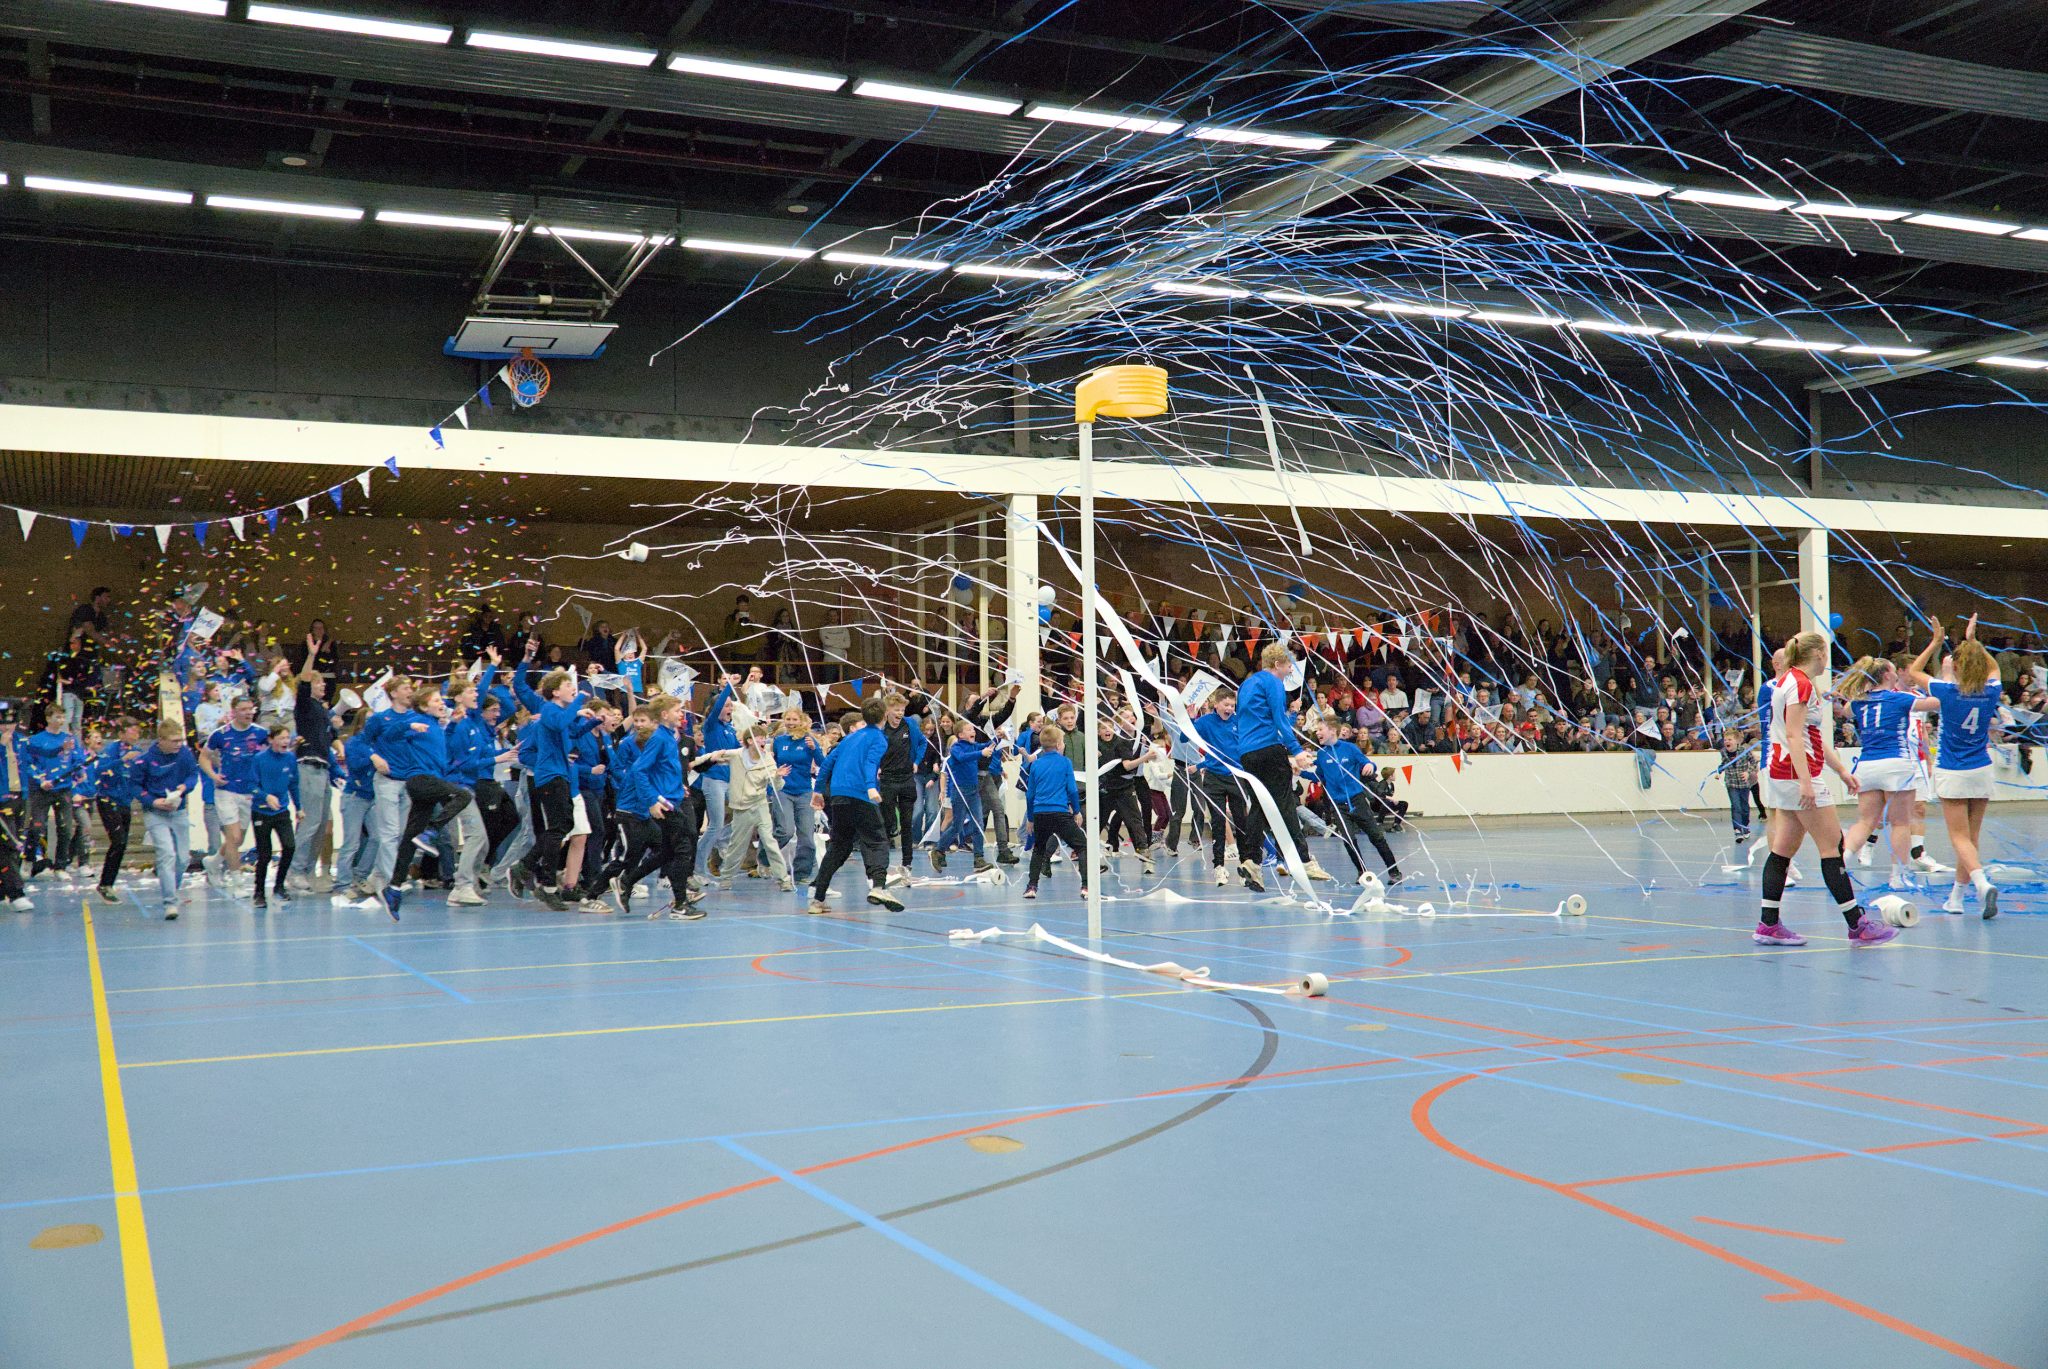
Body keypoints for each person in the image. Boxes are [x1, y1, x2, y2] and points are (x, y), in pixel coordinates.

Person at [1754, 630, 1894, 947]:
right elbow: (1793, 736)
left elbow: (1810, 736)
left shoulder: (1793, 681)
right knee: (1832, 845)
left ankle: (1768, 924)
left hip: (1785, 772)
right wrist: (1806, 781)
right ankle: (1857, 924)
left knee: (1783, 848)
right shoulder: (1800, 685)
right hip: (1795, 773)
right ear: (1818, 654)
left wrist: (1842, 770)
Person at [1905, 616, 2003, 918]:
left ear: (1957, 667)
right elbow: (1995, 668)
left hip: (1953, 769)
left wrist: (1935, 642)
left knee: (1959, 838)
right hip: (1982, 769)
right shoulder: (1992, 690)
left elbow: (1913, 671)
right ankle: (1956, 899)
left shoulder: (1947, 691)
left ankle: (1981, 882)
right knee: (1971, 839)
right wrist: (1974, 642)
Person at [510, 650, 602, 911]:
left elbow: (569, 730)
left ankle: (528, 868)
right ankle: (539, 878)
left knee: (564, 826)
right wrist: (580, 700)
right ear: (554, 692)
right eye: (568, 686)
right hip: (549, 777)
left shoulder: (558, 714)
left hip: (559, 775)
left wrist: (592, 720)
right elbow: (561, 721)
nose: (573, 689)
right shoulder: (550, 709)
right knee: (556, 830)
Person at [1235, 643, 1334, 887]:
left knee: (1259, 806)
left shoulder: (1246, 684)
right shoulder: (1274, 683)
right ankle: (1304, 861)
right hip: (1269, 749)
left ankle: (1251, 861)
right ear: (1277, 664)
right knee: (1286, 803)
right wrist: (1297, 751)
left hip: (1247, 753)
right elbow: (1279, 720)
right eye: (1289, 663)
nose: (1291, 669)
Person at [1838, 656, 1934, 891]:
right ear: (1888, 675)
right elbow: (1936, 703)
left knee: (1865, 821)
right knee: (1900, 823)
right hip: (1896, 763)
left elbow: (1845, 710)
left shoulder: (1859, 702)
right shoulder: (1900, 698)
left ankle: (1838, 863)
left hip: (1868, 765)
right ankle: (1898, 876)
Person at [382, 685, 473, 919]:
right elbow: (389, 734)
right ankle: (430, 832)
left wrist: (452, 725)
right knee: (463, 795)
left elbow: (442, 750)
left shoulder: (437, 725)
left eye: (441, 700)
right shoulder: (416, 720)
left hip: (430, 781)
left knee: (409, 838)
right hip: (421, 780)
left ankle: (393, 888)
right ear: (424, 706)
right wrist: (408, 725)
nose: (441, 703)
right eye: (435, 700)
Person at [807, 699, 903, 914]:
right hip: (860, 795)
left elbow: (828, 763)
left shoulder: (850, 738)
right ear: (883, 716)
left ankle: (817, 899)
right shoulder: (879, 738)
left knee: (839, 847)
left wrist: (818, 791)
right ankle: (879, 886)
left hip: (839, 797)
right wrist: (870, 786)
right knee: (877, 840)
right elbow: (871, 763)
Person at [1309, 718, 1402, 885]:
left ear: (1332, 730)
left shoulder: (1350, 748)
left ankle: (1394, 871)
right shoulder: (1322, 754)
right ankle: (1362, 871)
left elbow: (1367, 763)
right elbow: (1319, 776)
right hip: (1338, 806)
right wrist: (1298, 772)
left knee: (1376, 837)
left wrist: (1370, 767)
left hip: (1357, 801)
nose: (1317, 733)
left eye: (1320, 729)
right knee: (1348, 840)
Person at [707, 726, 794, 891]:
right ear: (749, 741)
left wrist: (777, 776)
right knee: (736, 845)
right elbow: (716, 756)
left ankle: (784, 879)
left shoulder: (768, 758)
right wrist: (702, 760)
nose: (763, 741)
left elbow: (778, 786)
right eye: (759, 738)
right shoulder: (737, 755)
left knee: (770, 842)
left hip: (760, 805)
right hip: (742, 808)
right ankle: (726, 877)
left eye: (764, 738)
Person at [286, 655, 343, 894]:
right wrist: (310, 654)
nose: (323, 686)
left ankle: (307, 870)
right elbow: (304, 681)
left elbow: (327, 739)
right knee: (309, 823)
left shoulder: (321, 711)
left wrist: (336, 734)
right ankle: (294, 870)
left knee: (321, 825)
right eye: (319, 682)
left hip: (323, 770)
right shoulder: (305, 705)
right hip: (308, 767)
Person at [134, 718, 199, 920]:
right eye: (173, 741)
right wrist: (153, 802)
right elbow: (135, 787)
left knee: (182, 858)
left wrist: (184, 787)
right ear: (161, 740)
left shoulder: (185, 754)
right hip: (155, 813)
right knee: (166, 854)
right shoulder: (144, 760)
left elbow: (193, 774)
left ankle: (173, 888)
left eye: (180, 740)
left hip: (178, 812)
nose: (178, 745)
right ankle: (170, 902)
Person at [1192, 693, 1255, 888]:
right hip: (1214, 778)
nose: (1229, 708)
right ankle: (1219, 866)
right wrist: (1191, 719)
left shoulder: (1239, 721)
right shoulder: (1205, 722)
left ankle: (1245, 867)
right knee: (1218, 823)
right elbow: (1185, 738)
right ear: (1216, 705)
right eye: (1226, 704)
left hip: (1236, 777)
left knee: (1242, 822)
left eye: (1232, 705)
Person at [1022, 723, 1088, 901]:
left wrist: (1030, 818)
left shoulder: (1035, 765)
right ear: (1059, 744)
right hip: (1059, 813)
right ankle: (1086, 886)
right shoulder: (1065, 762)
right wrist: (1076, 811)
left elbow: (1030, 795)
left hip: (1041, 814)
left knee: (1039, 848)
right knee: (1082, 846)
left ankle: (1031, 887)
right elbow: (1072, 790)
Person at [88, 717, 144, 904]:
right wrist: (121, 761)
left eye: (138, 730)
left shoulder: (138, 751)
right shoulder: (112, 750)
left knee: (122, 844)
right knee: (118, 840)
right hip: (107, 800)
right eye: (132, 730)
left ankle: (107, 883)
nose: (136, 734)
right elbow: (98, 771)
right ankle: (105, 884)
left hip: (125, 802)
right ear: (121, 733)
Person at [873, 691, 927, 883]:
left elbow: (922, 743)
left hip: (906, 779)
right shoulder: (879, 728)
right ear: (887, 711)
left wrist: (917, 761)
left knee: (907, 823)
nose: (900, 713)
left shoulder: (910, 724)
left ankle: (907, 863)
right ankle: (883, 864)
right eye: (896, 710)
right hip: (887, 779)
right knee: (888, 823)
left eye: (902, 710)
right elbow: (871, 749)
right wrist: (875, 766)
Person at [23, 709, 82, 876]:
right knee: (36, 827)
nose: (61, 720)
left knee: (65, 829)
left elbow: (78, 760)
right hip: (42, 790)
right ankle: (28, 860)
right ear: (48, 718)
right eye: (58, 716)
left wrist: (80, 772)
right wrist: (40, 780)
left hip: (64, 789)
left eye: (63, 717)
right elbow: (28, 764)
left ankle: (60, 866)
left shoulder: (70, 739)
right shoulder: (36, 740)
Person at [933, 718, 995, 874]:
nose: (973, 732)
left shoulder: (973, 746)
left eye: (973, 729)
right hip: (960, 791)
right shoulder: (956, 748)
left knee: (978, 824)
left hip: (973, 791)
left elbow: (986, 746)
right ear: (960, 734)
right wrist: (981, 753)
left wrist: (997, 738)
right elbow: (962, 757)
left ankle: (979, 859)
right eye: (969, 729)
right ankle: (938, 850)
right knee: (957, 826)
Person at [248, 724, 299, 909]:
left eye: (287, 738)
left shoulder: (291, 759)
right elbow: (251, 786)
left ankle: (279, 885)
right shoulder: (259, 759)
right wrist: (265, 796)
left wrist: (299, 807)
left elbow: (294, 784)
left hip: (281, 811)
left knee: (290, 846)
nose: (286, 741)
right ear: (271, 739)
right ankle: (259, 892)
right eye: (282, 738)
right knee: (265, 854)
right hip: (261, 811)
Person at [772, 708, 823, 885]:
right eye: (788, 719)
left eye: (795, 719)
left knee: (807, 837)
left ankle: (802, 872)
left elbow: (823, 763)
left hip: (804, 791)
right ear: (784, 720)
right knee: (785, 831)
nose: (791, 722)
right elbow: (772, 764)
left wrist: (814, 749)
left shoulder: (810, 740)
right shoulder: (778, 741)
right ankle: (766, 855)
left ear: (802, 721)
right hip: (783, 790)